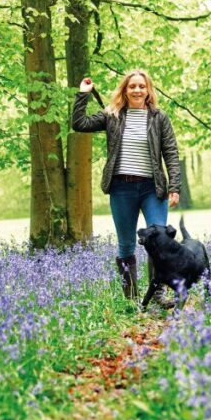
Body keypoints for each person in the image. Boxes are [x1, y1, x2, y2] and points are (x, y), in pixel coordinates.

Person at [72, 70, 181, 305]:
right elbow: (79, 124)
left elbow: (171, 152)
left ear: (148, 90)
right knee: (126, 244)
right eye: (132, 86)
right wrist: (83, 95)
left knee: (160, 239)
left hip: (153, 188)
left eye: (142, 86)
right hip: (122, 188)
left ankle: (157, 294)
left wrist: (175, 186)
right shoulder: (112, 115)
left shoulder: (159, 117)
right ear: (125, 89)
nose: (137, 90)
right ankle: (130, 300)